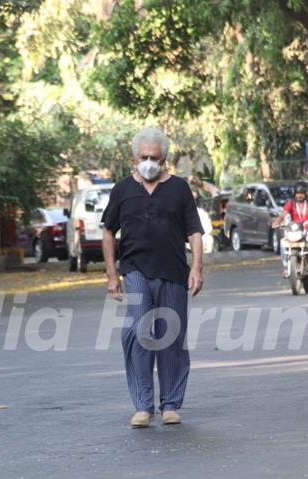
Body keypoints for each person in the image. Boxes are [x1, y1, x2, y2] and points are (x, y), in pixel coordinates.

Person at [101, 127, 204, 428]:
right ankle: (143, 405)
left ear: (164, 160)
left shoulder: (179, 188)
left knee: (170, 334)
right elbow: (108, 231)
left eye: (154, 158)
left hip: (173, 271)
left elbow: (194, 232)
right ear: (134, 159)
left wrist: (197, 268)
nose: (149, 162)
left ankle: (170, 403)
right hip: (134, 270)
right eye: (144, 157)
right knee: (139, 330)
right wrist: (111, 274)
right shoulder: (122, 190)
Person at [272, 182, 308, 278]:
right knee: (283, 244)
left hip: (307, 230)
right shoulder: (290, 203)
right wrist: (277, 222)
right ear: (294, 194)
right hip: (294, 231)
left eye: (302, 193)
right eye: (298, 193)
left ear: (306, 194)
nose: (300, 195)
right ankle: (286, 268)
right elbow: (283, 215)